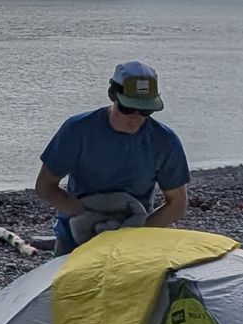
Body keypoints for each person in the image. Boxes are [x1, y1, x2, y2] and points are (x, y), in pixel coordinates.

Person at [35, 59, 191, 254]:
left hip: (134, 241)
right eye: (128, 107)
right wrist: (86, 216)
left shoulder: (164, 141)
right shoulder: (78, 130)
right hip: (75, 239)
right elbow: (45, 186)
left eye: (145, 110)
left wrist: (135, 232)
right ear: (113, 96)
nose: (136, 117)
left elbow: (177, 203)